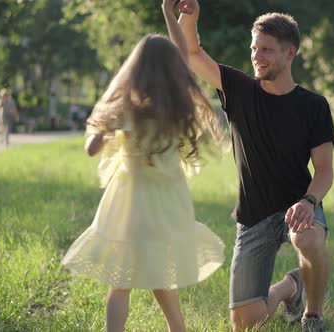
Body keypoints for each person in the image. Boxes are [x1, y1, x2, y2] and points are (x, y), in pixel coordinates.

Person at [166, 2, 334, 331]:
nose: (257, 56)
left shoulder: (314, 106)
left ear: (290, 53)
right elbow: (190, 54)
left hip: (299, 206)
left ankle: (312, 315)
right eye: (254, 48)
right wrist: (190, 17)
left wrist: (309, 201)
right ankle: (291, 286)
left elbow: (325, 171)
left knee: (308, 240)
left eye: (267, 50)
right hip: (253, 215)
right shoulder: (239, 89)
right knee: (244, 323)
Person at [62, 3, 226, 330]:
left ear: (133, 70)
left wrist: (102, 120)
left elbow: (92, 150)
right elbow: (181, 57)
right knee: (160, 271)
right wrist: (168, 11)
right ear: (172, 72)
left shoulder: (127, 107)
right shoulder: (177, 106)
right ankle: (178, 329)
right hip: (168, 202)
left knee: (120, 282)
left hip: (129, 202)